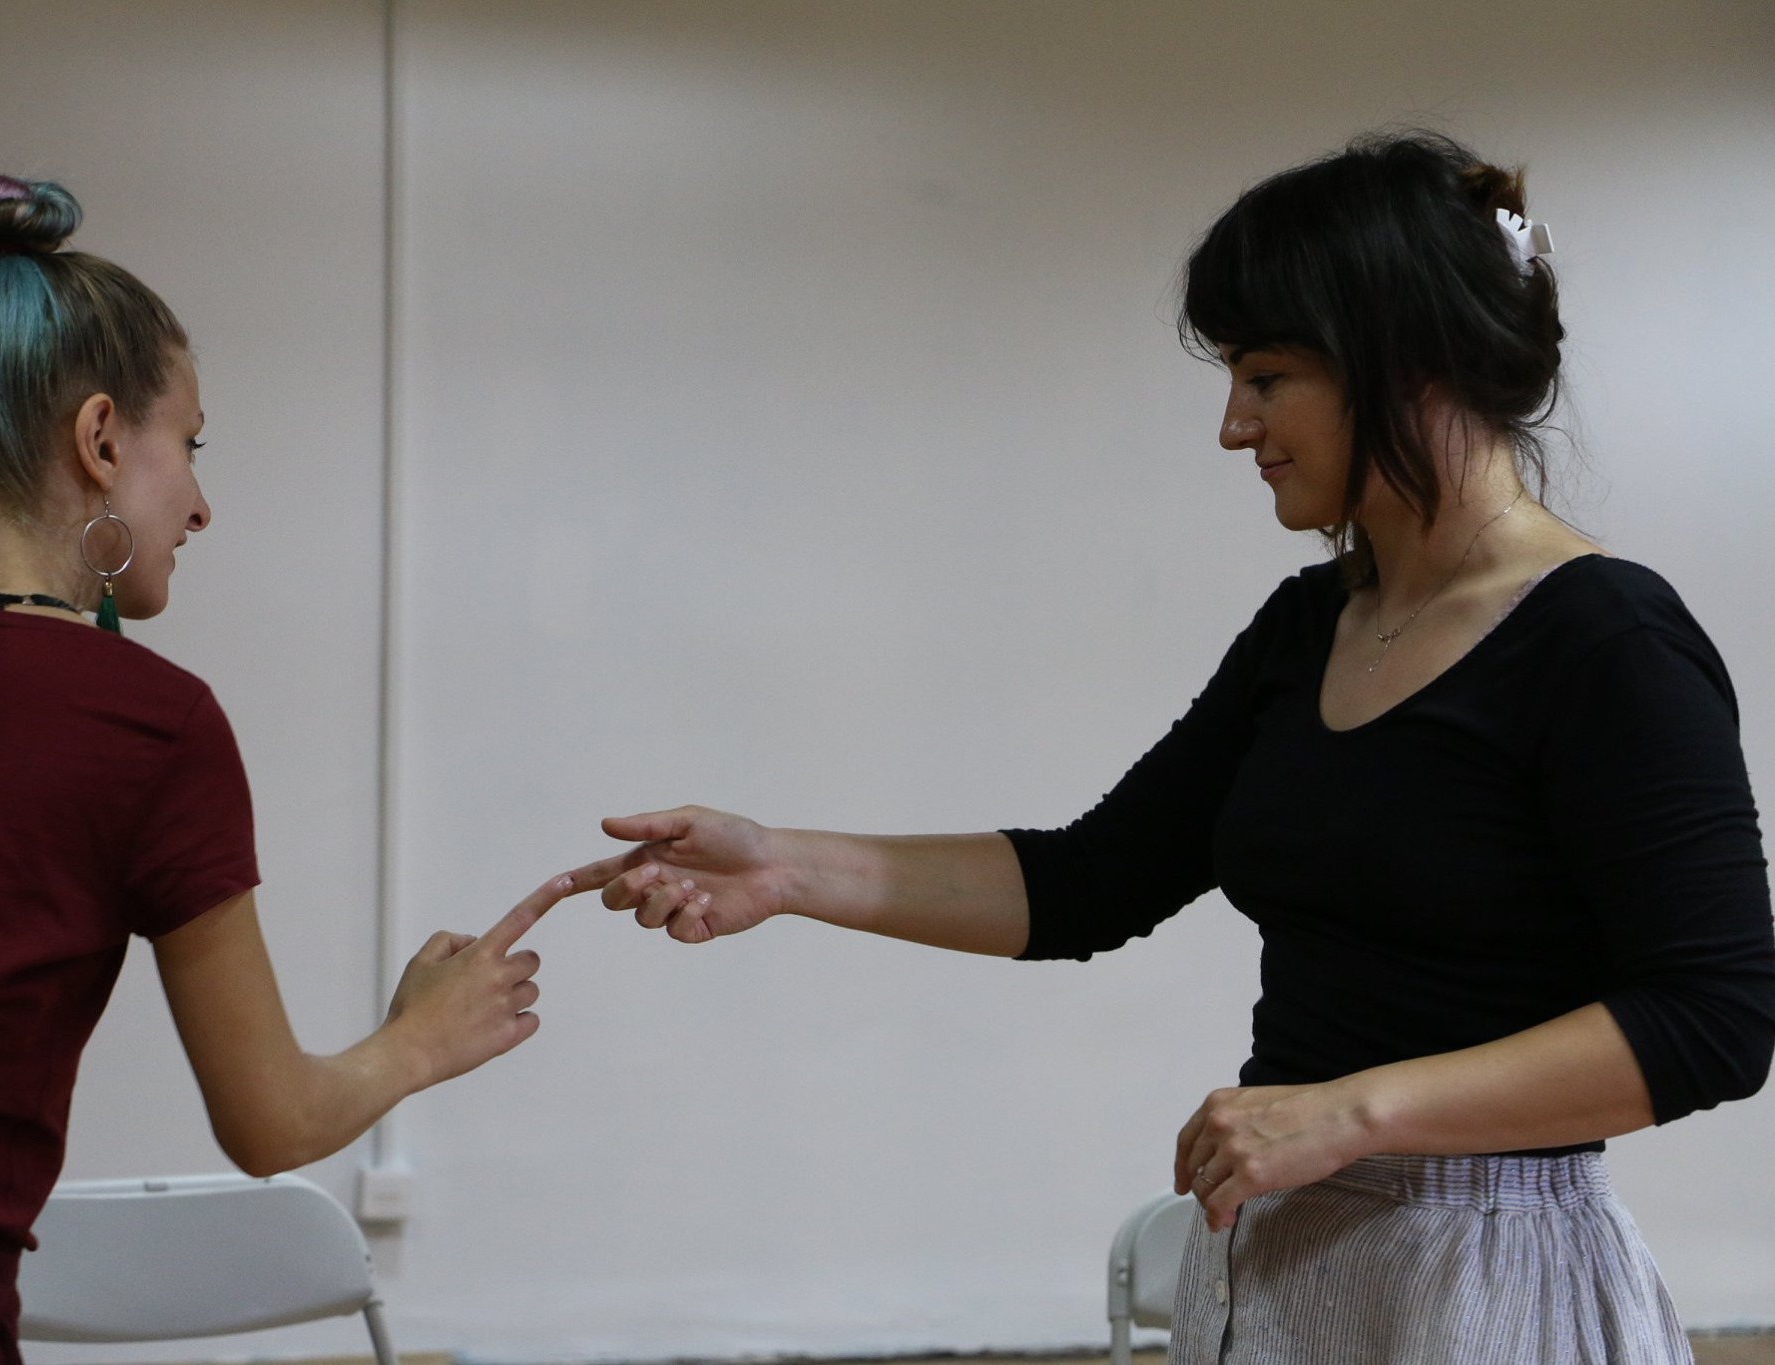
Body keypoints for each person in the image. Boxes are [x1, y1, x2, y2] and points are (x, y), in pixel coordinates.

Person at [569, 133, 1775, 1363]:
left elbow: (1714, 1021)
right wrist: (780, 866)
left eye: (1265, 377)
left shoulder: (1604, 638)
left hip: (1484, 1276)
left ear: (1402, 362)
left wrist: (1350, 1115)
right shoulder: (1309, 625)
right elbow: (1095, 877)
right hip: (1278, 1250)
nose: (1230, 426)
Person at [0, 172, 576, 1363]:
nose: (202, 503)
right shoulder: (150, 726)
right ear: (99, 436)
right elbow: (270, 1120)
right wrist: (421, 1040)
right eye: (189, 444)